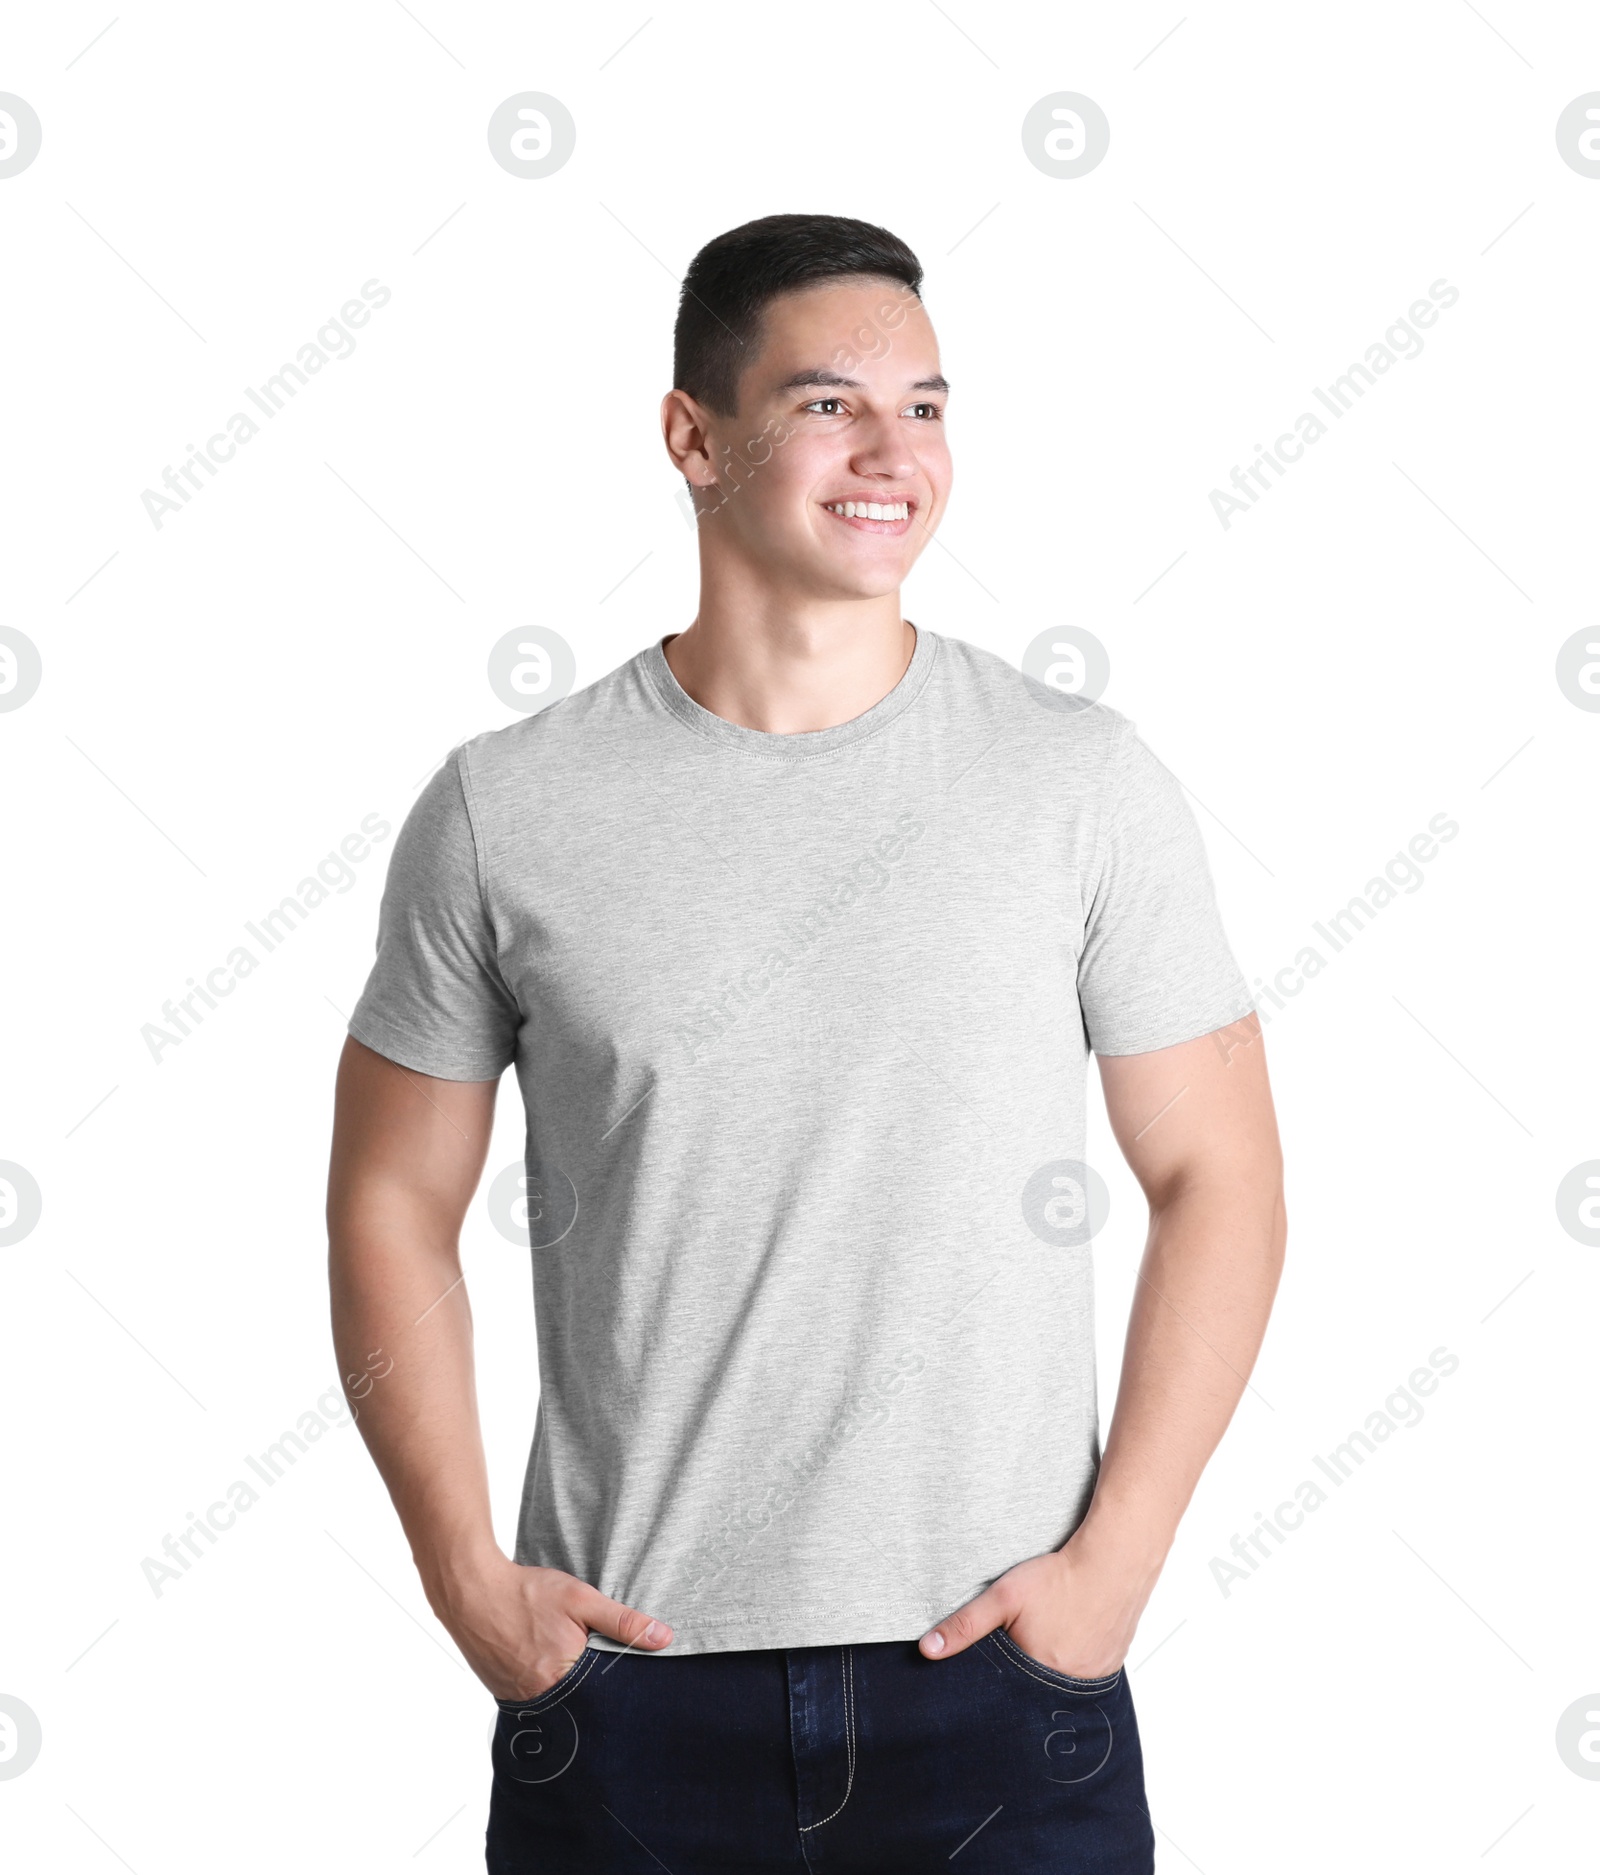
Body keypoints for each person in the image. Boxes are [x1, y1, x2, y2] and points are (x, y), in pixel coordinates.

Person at [326, 212, 1286, 1874]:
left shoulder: (1077, 782)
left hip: (1002, 1683)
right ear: (693, 436)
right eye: (831, 404)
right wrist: (468, 1579)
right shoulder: (506, 808)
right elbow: (385, 1202)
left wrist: (1116, 1564)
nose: (892, 453)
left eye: (926, 405)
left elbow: (1222, 1175)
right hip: (626, 1693)